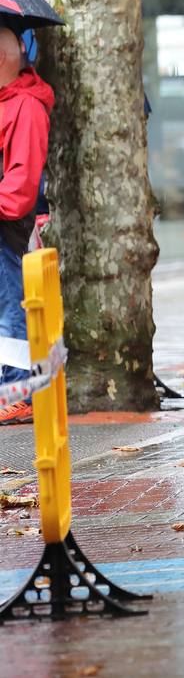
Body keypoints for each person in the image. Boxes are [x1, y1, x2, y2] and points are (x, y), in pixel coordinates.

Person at [0, 25, 53, 426]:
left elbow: (19, 189)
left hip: (7, 225)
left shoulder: (26, 106)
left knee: (10, 309)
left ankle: (19, 394)